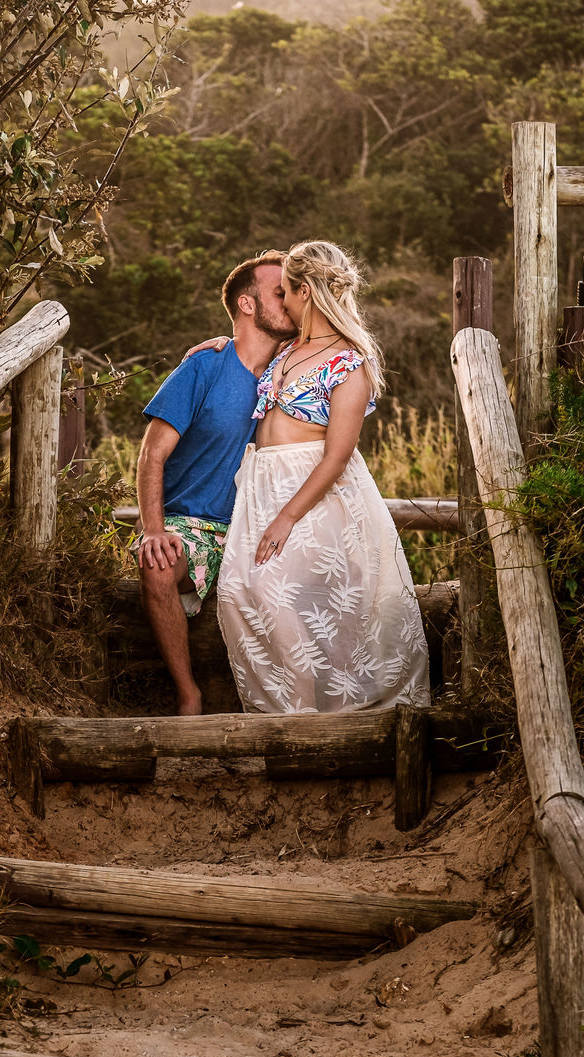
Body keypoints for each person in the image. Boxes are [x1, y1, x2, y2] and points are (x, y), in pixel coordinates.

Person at [194, 240, 429, 714]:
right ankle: (292, 715)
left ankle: (316, 717)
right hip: (260, 484)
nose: (280, 301)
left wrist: (287, 518)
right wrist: (217, 345)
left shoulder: (349, 361)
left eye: (284, 291)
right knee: (241, 589)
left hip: (313, 493)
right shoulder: (286, 350)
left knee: (281, 594)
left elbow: (338, 456)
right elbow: (245, 347)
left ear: (305, 292)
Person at [135, 253, 297, 715]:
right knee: (157, 565)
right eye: (278, 293)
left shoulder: (291, 369)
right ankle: (189, 694)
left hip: (258, 529)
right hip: (192, 523)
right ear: (247, 304)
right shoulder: (203, 368)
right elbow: (152, 453)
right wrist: (152, 530)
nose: (289, 300)